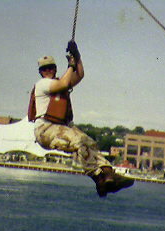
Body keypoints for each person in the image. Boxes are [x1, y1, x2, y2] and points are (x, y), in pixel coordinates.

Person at [28, 40, 134, 197]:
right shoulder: (43, 84)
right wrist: (71, 65)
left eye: (51, 68)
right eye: (44, 69)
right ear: (41, 72)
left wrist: (77, 57)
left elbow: (80, 75)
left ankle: (105, 177)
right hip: (45, 130)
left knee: (89, 143)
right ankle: (101, 176)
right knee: (79, 141)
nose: (48, 71)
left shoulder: (58, 81)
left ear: (55, 69)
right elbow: (65, 83)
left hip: (58, 129)